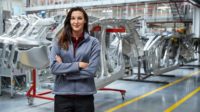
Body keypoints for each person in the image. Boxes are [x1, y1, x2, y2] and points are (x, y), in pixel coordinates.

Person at [49, 6, 100, 112]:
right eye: (73, 18)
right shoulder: (58, 42)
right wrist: (79, 65)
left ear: (85, 20)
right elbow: (54, 68)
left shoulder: (93, 43)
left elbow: (91, 71)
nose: (76, 22)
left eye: (79, 18)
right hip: (62, 96)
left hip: (85, 96)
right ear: (69, 20)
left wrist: (64, 72)